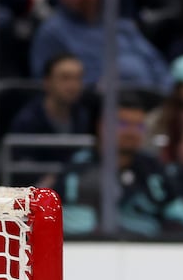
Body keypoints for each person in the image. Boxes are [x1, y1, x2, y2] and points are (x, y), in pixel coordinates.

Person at [29, 0, 169, 91]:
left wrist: (166, 93)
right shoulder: (52, 32)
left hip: (149, 100)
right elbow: (48, 82)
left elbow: (156, 62)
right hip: (98, 106)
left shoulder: (121, 26)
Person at [57, 89, 169, 237]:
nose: (131, 132)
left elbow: (172, 214)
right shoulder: (79, 168)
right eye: (122, 124)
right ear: (101, 125)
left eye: (139, 126)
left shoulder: (153, 169)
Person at [6, 52, 92, 180]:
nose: (73, 85)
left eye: (78, 78)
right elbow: (21, 168)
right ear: (47, 82)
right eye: (65, 78)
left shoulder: (84, 116)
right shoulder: (27, 121)